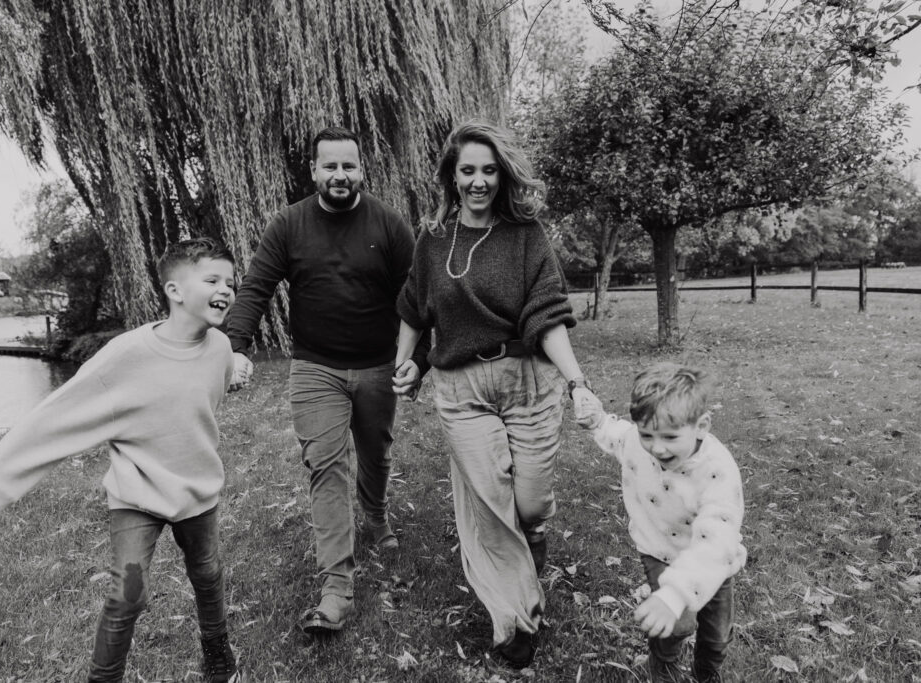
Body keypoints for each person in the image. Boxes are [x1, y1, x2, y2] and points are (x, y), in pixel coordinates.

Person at [0, 238, 241, 683]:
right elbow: (54, 418)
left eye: (230, 281)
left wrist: (238, 368)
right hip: (137, 493)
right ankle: (103, 678)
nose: (226, 288)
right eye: (212, 279)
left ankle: (217, 651)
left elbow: (211, 386)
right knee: (129, 595)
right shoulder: (126, 355)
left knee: (207, 574)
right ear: (175, 290)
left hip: (197, 490)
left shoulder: (221, 348)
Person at [392, 120, 602, 669]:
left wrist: (578, 383)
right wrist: (406, 363)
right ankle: (517, 619)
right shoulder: (433, 239)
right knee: (491, 504)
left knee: (529, 505)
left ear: (501, 175)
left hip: (528, 381)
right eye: (468, 171)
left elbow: (549, 314)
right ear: (451, 176)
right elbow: (415, 307)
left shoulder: (526, 234)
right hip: (460, 387)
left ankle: (528, 566)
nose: (479, 181)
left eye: (489, 171)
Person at [224, 126, 429, 635]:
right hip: (315, 366)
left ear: (362, 169)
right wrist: (233, 347)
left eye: (349, 166)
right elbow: (256, 287)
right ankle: (336, 589)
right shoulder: (289, 225)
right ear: (314, 171)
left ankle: (376, 514)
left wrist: (418, 359)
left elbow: (421, 297)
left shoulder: (388, 224)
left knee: (377, 452)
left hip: (379, 364)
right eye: (330, 166)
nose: (340, 175)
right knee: (326, 467)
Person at [581, 362, 746, 683]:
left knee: (715, 637)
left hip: (714, 562)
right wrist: (597, 420)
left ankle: (707, 674)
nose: (657, 447)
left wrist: (674, 595)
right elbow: (617, 436)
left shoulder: (718, 471)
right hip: (658, 549)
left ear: (702, 426)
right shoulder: (637, 441)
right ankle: (665, 669)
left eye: (671, 436)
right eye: (647, 434)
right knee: (673, 627)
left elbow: (715, 541)